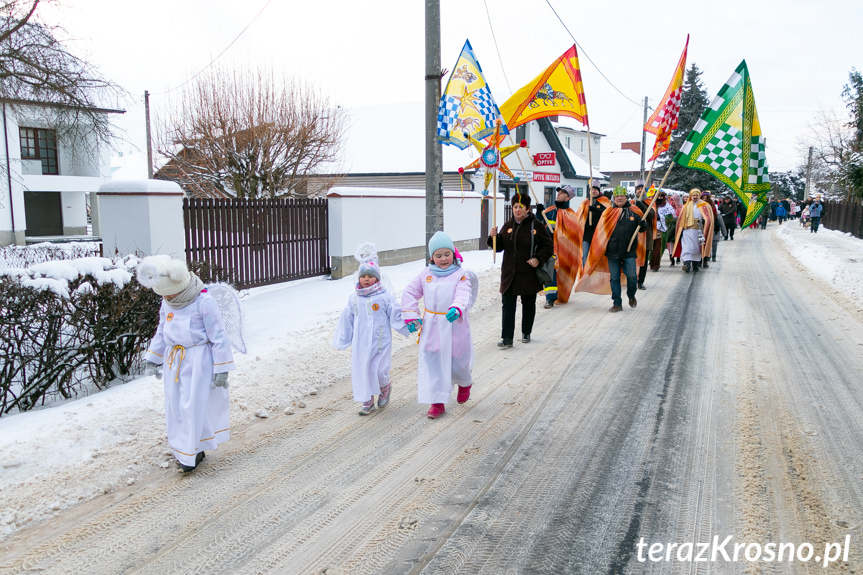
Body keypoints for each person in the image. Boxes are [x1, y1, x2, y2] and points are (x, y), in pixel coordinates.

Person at [138, 256, 234, 473]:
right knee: (176, 407)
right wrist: (153, 358)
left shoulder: (203, 302)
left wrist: (222, 369)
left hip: (198, 361)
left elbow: (219, 336)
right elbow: (163, 331)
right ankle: (185, 448)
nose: (167, 297)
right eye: (163, 294)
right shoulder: (167, 302)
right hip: (175, 362)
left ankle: (191, 452)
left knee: (193, 406)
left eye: (170, 293)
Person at [402, 231, 475, 419]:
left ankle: (464, 382)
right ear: (432, 257)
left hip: (454, 323)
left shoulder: (460, 275)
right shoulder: (426, 274)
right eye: (438, 255)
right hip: (432, 326)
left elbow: (463, 294)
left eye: (447, 254)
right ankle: (437, 402)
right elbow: (410, 292)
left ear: (453, 253)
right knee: (433, 362)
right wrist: (412, 315)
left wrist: (457, 307)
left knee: (457, 361)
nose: (443, 259)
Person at [332, 244, 410, 416]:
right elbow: (347, 319)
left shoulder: (384, 297)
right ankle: (367, 399)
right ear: (358, 278)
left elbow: (395, 314)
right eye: (363, 276)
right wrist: (343, 339)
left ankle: (385, 388)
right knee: (363, 370)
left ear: (377, 278)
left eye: (370, 276)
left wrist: (407, 325)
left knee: (380, 369)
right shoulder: (354, 299)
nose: (366, 279)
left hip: (380, 341)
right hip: (361, 343)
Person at [488, 192, 554, 348]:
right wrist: (493, 237)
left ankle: (526, 332)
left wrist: (538, 258)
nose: (517, 210)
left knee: (528, 303)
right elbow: (498, 248)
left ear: (527, 209)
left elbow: (548, 245)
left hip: (528, 273)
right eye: (515, 207)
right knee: (508, 305)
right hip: (510, 273)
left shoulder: (535, 225)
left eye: (521, 207)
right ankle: (507, 338)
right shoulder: (507, 226)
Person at [575, 186, 646, 311]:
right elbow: (601, 228)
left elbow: (643, 229)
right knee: (614, 278)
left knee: (632, 277)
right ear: (614, 198)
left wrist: (642, 225)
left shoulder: (634, 212)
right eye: (617, 196)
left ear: (626, 197)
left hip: (629, 251)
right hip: (612, 251)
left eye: (622, 196)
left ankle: (631, 295)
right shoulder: (609, 212)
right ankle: (617, 303)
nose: (619, 198)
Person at [539, 185, 575, 308]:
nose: (558, 194)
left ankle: (562, 293)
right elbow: (539, 225)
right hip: (549, 248)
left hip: (564, 250)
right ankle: (550, 298)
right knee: (550, 271)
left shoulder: (571, 215)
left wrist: (561, 235)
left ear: (568, 197)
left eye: (562, 193)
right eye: (558, 192)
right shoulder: (549, 211)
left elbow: (574, 235)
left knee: (562, 272)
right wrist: (539, 214)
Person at [671, 188, 714, 273]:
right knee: (686, 247)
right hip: (687, 230)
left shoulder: (705, 205)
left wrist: (703, 221)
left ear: (699, 196)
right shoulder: (686, 206)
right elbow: (681, 219)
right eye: (693, 195)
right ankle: (686, 264)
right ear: (691, 196)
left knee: (696, 248)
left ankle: (695, 264)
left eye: (696, 195)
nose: (695, 197)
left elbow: (709, 218)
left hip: (698, 231)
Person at [633, 183, 656, 288]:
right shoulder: (631, 203)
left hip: (646, 235)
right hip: (633, 235)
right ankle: (632, 279)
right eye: (638, 189)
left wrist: (641, 206)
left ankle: (640, 281)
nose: (640, 191)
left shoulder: (649, 202)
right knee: (631, 258)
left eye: (642, 189)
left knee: (644, 259)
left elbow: (651, 215)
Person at [652, 190, 676, 270]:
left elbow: (670, 217)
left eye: (661, 196)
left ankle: (656, 264)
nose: (659, 198)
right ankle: (650, 260)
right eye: (658, 196)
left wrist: (661, 218)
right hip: (650, 229)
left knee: (658, 247)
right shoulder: (651, 205)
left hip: (661, 229)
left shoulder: (667, 207)